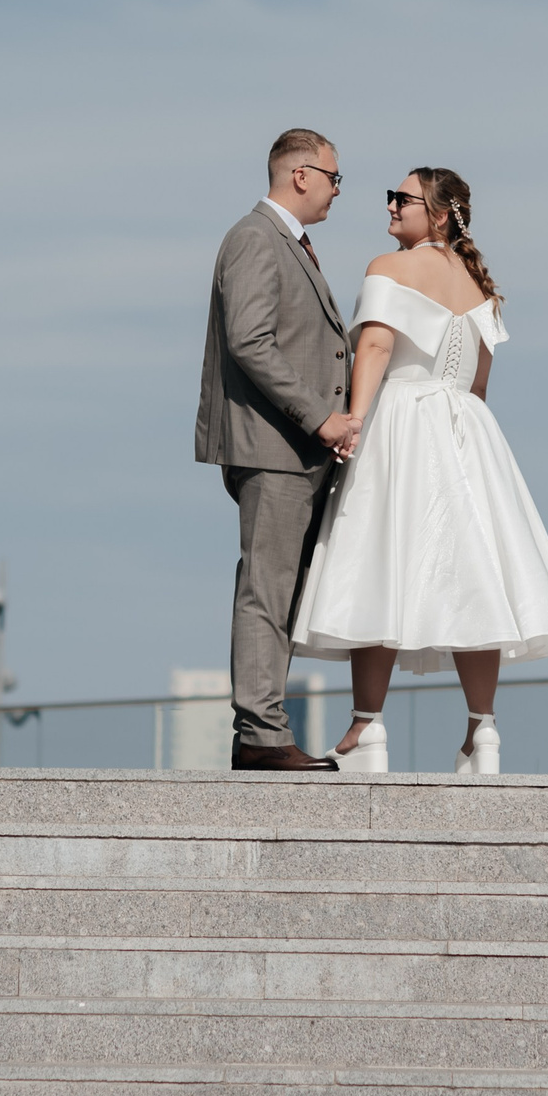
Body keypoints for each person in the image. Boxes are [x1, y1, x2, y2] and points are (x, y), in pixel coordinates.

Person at [291, 168, 548, 773]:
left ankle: (365, 730)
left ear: (437, 212)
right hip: (469, 430)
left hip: (401, 421)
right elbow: (479, 384)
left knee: (377, 563)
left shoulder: (389, 267)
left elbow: (374, 349)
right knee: (476, 578)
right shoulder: (479, 287)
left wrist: (352, 421)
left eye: (400, 198)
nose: (389, 206)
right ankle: (482, 734)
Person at [195, 128, 363, 770]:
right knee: (267, 590)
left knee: (283, 592)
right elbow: (250, 340)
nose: (336, 190)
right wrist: (322, 415)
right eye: (334, 177)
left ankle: (264, 730)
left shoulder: (286, 243)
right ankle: (261, 736)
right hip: (274, 448)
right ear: (301, 174)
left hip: (294, 450)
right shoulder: (255, 238)